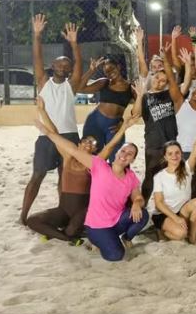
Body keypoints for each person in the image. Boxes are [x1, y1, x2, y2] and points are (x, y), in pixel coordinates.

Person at [34, 111, 147, 262]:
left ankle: (121, 238)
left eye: (130, 154)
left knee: (143, 215)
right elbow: (67, 145)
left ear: (132, 160)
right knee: (116, 255)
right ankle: (98, 239)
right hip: (91, 220)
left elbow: (137, 196)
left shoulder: (124, 173)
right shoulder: (96, 164)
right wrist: (46, 131)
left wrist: (137, 203)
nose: (125, 155)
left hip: (105, 217)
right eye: (123, 151)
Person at [26, 97, 130, 243]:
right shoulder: (68, 156)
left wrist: (124, 127)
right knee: (33, 220)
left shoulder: (95, 162)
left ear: (95, 149)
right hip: (63, 209)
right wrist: (42, 111)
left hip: (83, 211)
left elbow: (110, 147)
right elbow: (55, 133)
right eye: (85, 141)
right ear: (79, 144)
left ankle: (60, 234)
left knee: (72, 229)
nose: (88, 144)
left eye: (93, 143)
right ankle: (67, 238)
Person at [22, 16, 85, 224]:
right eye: (60, 64)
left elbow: (79, 65)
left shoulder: (71, 85)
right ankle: (23, 216)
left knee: (64, 176)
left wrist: (74, 44)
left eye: (67, 66)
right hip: (47, 136)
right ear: (53, 65)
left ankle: (63, 212)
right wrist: (36, 35)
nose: (63, 67)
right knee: (37, 175)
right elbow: (36, 59)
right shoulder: (43, 82)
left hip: (69, 136)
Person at [148, 114, 196, 244]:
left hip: (182, 210)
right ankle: (160, 230)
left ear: (181, 154)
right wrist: (176, 219)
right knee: (181, 234)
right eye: (170, 153)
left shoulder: (186, 168)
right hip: (164, 213)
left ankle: (192, 238)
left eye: (177, 153)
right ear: (165, 157)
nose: (174, 156)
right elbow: (159, 203)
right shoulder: (159, 176)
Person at [137, 42, 185, 202]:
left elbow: (172, 81)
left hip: (170, 143)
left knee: (171, 176)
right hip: (153, 143)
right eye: (157, 77)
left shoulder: (171, 95)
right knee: (150, 176)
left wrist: (165, 59)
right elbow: (136, 114)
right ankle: (142, 204)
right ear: (152, 77)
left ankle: (169, 206)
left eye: (164, 80)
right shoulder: (145, 97)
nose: (160, 81)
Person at [76, 54, 135, 161]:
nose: (110, 72)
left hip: (114, 126)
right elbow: (80, 88)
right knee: (91, 155)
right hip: (95, 122)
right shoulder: (104, 82)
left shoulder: (130, 87)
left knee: (117, 157)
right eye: (106, 71)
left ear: (118, 67)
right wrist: (91, 71)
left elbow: (140, 108)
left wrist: (123, 123)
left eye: (112, 68)